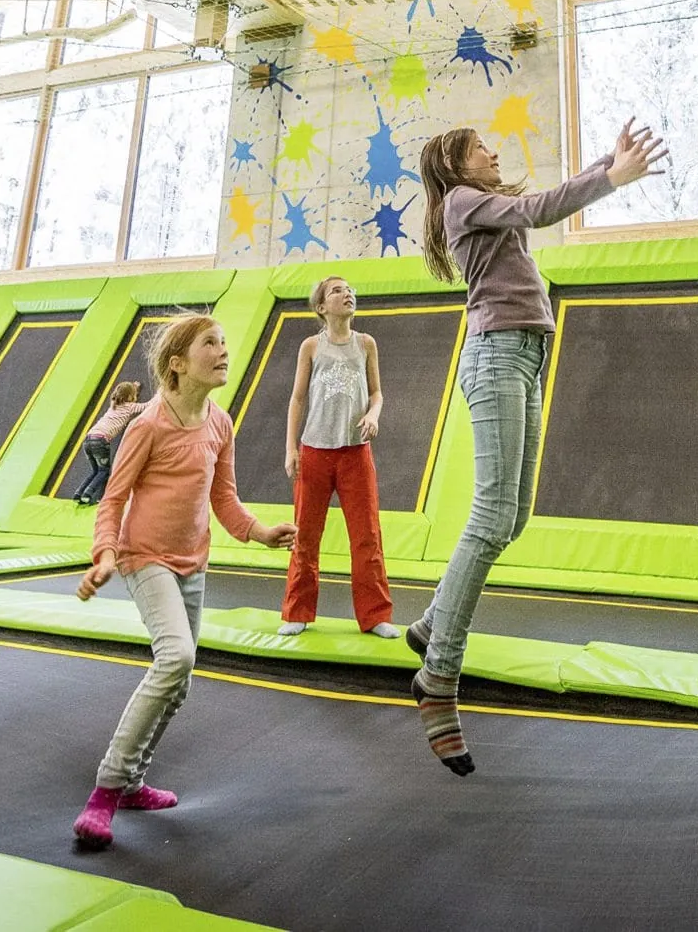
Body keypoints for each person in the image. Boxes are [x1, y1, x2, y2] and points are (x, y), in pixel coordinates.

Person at [404, 119, 664, 773]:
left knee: (511, 518)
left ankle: (433, 622)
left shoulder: (483, 208)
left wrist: (612, 159)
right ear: (457, 165)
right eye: (479, 147)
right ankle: (438, 677)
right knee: (491, 517)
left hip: (519, 356)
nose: (493, 151)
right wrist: (611, 177)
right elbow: (539, 208)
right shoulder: (464, 201)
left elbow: (538, 199)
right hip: (494, 356)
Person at [72, 315, 295, 851]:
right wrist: (104, 554)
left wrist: (260, 533)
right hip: (142, 556)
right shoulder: (148, 424)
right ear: (178, 363)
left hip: (193, 561)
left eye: (224, 342)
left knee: (180, 682)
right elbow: (114, 498)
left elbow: (223, 499)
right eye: (210, 344)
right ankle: (104, 793)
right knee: (175, 658)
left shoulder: (220, 422)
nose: (223, 351)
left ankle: (132, 784)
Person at [278, 275, 395, 640]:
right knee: (306, 535)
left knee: (366, 536)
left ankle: (375, 615)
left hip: (355, 454)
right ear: (322, 306)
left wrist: (373, 415)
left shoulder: (366, 344)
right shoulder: (311, 346)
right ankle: (297, 611)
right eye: (338, 291)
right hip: (314, 452)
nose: (348, 295)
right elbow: (297, 399)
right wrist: (290, 448)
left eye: (350, 290)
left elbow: (376, 394)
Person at [72, 382, 145, 505]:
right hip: (100, 441)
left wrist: (133, 387)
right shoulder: (131, 407)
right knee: (104, 471)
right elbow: (147, 406)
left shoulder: (113, 405)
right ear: (131, 397)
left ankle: (78, 493)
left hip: (88, 439)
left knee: (95, 471)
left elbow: (122, 392)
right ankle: (88, 494)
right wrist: (161, 394)